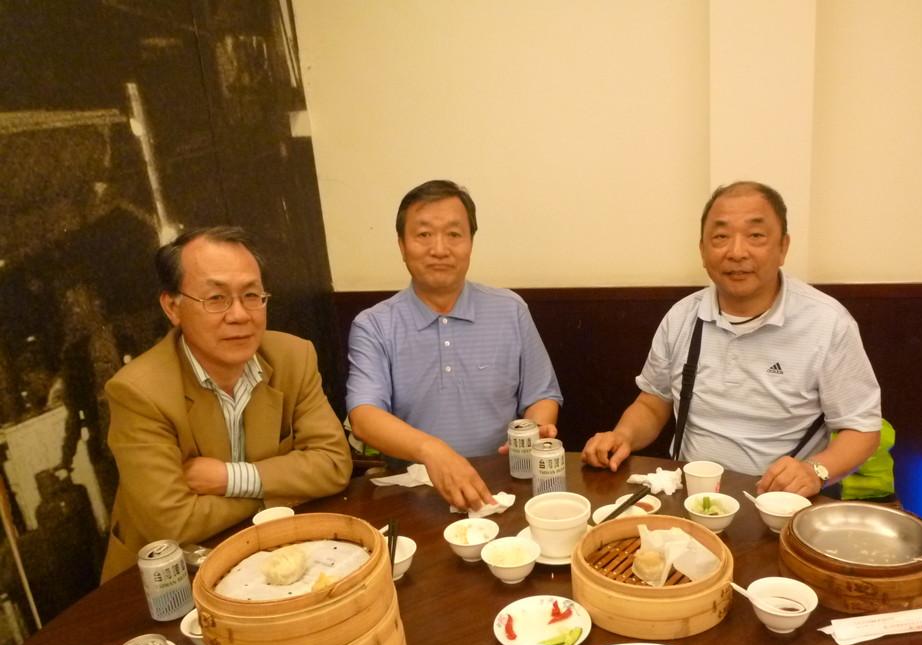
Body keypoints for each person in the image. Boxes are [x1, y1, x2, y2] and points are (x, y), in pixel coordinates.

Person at [582, 181, 881, 497]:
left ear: (783, 247)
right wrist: (623, 435)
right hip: (689, 495)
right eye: (721, 237)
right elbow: (653, 403)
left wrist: (814, 470)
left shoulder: (827, 323)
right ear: (702, 250)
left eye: (756, 236)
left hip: (780, 502)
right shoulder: (682, 317)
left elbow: (862, 429)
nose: (737, 252)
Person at [100, 226, 352, 580]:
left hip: (269, 554)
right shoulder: (138, 392)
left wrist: (228, 478)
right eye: (216, 298)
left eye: (251, 295)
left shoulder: (293, 357)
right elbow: (174, 522)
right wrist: (280, 490)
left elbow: (334, 464)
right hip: (166, 578)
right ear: (173, 307)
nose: (239, 315)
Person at [346, 180, 562, 510]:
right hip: (414, 495)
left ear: (471, 243)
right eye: (423, 234)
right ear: (402, 245)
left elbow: (541, 395)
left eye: (454, 234)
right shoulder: (374, 325)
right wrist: (433, 451)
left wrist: (533, 431)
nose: (440, 249)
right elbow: (364, 416)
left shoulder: (510, 309)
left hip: (501, 488)